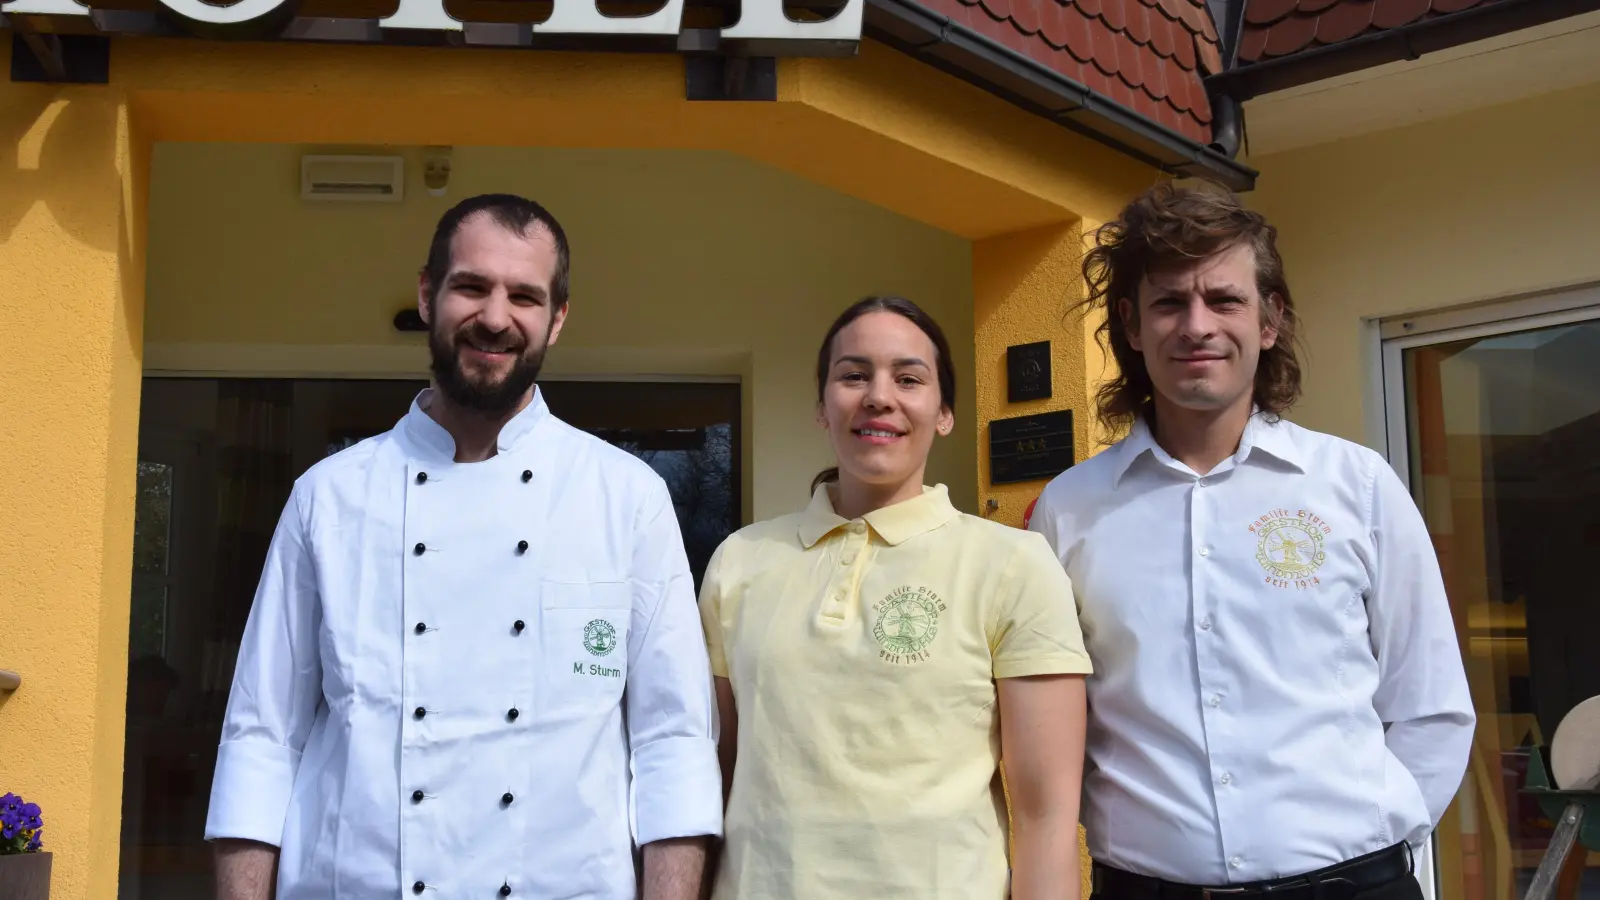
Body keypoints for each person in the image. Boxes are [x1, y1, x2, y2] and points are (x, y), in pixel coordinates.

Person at [203, 193, 722, 900]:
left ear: (558, 318)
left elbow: (673, 744)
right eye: (472, 287)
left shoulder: (626, 497)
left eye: (525, 296)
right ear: (427, 294)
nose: (496, 317)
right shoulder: (328, 498)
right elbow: (262, 736)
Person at [1027, 182, 1475, 900]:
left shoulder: (1357, 487)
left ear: (1270, 320)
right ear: (1131, 327)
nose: (1196, 325)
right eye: (1169, 302)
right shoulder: (1068, 510)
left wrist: (1371, 849)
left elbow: (1429, 705)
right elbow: (1053, 725)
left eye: (1224, 300)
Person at [698, 296, 1092, 900]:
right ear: (822, 407)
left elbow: (1046, 817)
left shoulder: (1012, 564)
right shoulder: (740, 561)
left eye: (909, 378)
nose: (878, 396)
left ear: (944, 413)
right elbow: (713, 775)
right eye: (853, 375)